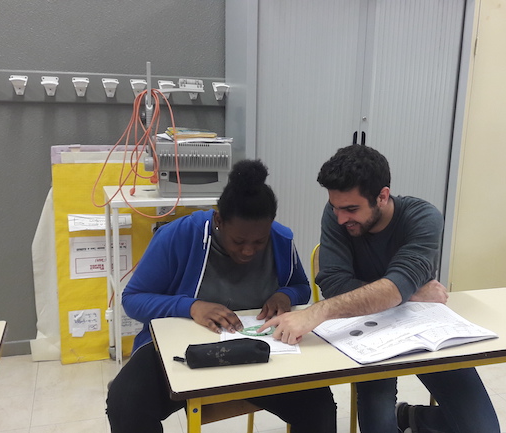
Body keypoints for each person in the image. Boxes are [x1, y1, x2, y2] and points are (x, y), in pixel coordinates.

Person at [260, 145, 500, 433]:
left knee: (484, 430)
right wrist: (411, 292)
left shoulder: (423, 218)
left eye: (351, 209)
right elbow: (335, 284)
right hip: (369, 332)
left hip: (423, 328)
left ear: (382, 197)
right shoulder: (337, 215)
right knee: (378, 426)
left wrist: (318, 312)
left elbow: (391, 288)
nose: (340, 218)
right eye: (335, 207)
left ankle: (412, 417)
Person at [106, 159, 337, 433]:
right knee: (125, 402)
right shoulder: (180, 235)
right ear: (218, 220)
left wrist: (284, 295)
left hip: (258, 350)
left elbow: (300, 286)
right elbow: (133, 299)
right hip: (181, 350)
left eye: (259, 242)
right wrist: (190, 307)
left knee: (319, 405)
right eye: (238, 241)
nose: (248, 251)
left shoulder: (280, 240)